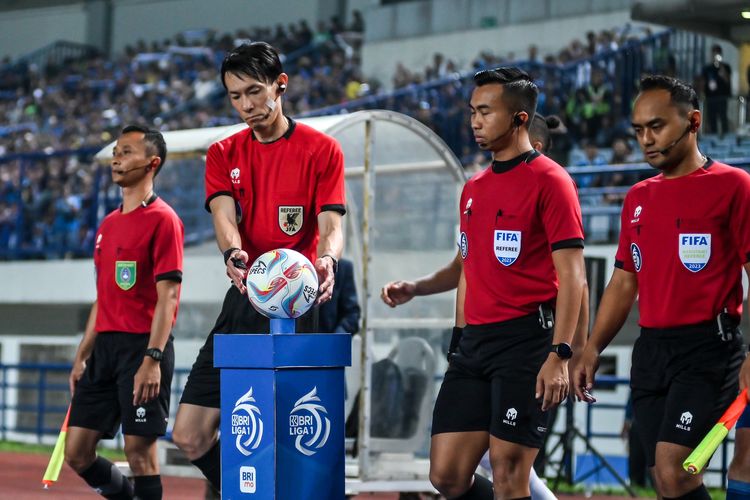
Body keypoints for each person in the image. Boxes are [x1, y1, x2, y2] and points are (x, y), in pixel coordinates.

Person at [171, 41, 345, 493]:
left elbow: (331, 224)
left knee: (288, 436)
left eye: (254, 91)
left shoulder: (321, 150)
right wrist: (233, 254)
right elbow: (224, 218)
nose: (246, 105)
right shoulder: (223, 153)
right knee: (189, 433)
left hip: (296, 309)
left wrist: (327, 258)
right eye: (234, 96)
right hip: (245, 300)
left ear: (280, 85)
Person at [382, 113, 584, 499]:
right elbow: (464, 265)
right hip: (473, 346)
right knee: (446, 475)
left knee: (510, 472)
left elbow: (577, 284)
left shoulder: (552, 182)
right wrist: (417, 287)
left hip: (526, 342)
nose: (475, 121)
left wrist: (569, 352)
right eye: (472, 111)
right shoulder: (474, 188)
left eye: (485, 112)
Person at [575, 75, 750, 499]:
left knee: (676, 471)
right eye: (638, 130)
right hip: (651, 351)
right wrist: (593, 347)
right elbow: (623, 280)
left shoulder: (734, 186)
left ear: (693, 122)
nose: (646, 139)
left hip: (708, 350)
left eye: (657, 126)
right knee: (664, 480)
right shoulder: (637, 197)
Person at [64, 125, 184, 500]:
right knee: (77, 453)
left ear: (152, 163)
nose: (117, 158)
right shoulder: (108, 225)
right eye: (116, 151)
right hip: (104, 351)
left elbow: (169, 297)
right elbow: (104, 296)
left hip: (141, 349)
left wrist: (153, 358)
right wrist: (84, 352)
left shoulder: (164, 220)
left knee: (140, 455)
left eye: (127, 151)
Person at [319, 257, 360, 334]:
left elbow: (351, 315)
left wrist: (335, 340)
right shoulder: (297, 264)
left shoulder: (343, 267)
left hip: (329, 340)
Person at [701, 44, 732, 137]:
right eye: (714, 53)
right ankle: (713, 136)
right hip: (711, 98)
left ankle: (725, 136)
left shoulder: (726, 67)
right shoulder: (707, 69)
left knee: (723, 118)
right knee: (712, 119)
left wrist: (721, 68)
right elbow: (703, 83)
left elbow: (727, 80)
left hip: (722, 97)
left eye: (718, 53)